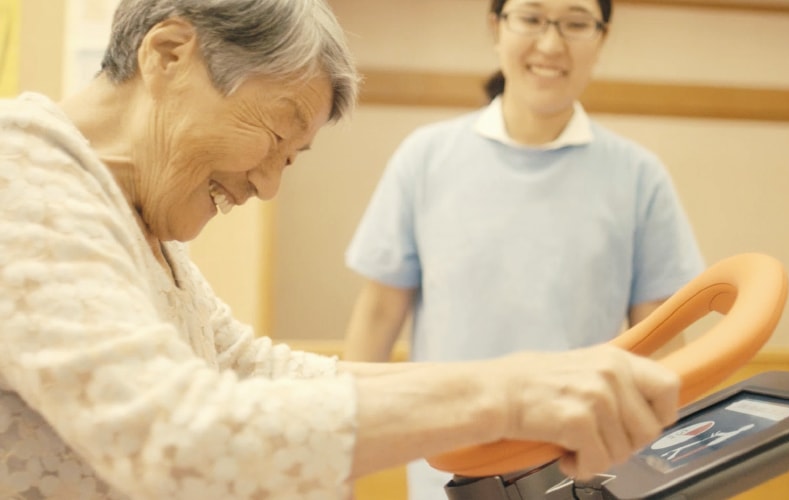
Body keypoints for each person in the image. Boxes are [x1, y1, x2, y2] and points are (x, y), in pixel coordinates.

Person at [0, 0, 682, 498]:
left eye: (290, 161)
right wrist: (502, 394)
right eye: (274, 135)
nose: (267, 185)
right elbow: (174, 434)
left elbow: (250, 369)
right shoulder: (21, 175)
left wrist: (520, 384)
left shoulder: (135, 221)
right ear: (168, 54)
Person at [343, 0, 705, 498]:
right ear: (496, 27)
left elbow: (661, 343)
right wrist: (342, 463)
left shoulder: (639, 176)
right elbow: (378, 314)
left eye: (576, 23)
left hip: (584, 474)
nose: (551, 44)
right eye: (531, 17)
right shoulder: (424, 158)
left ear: (601, 37)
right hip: (447, 472)